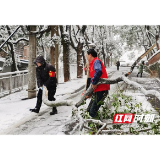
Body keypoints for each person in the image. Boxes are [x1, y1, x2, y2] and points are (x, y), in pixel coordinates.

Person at [85, 49, 110, 118]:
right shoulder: (92, 64)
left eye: (86, 55)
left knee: (92, 112)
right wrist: (88, 92)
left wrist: (94, 83)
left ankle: (100, 127)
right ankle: (96, 125)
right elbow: (91, 79)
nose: (86, 57)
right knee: (89, 110)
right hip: (97, 90)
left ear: (90, 55)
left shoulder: (96, 61)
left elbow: (98, 71)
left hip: (101, 89)